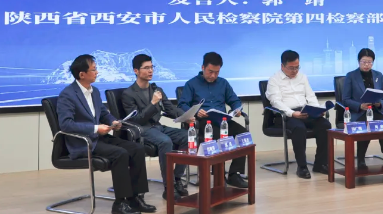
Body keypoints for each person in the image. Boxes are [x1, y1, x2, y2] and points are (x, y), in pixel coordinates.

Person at [57, 54, 156, 214]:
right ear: (82, 74)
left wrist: (113, 122)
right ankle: (120, 203)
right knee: (120, 154)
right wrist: (96, 128)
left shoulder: (94, 91)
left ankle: (136, 198)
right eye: (94, 70)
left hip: (100, 138)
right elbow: (66, 124)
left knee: (137, 149)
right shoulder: (67, 95)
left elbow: (103, 113)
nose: (97, 72)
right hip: (84, 142)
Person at [121, 54, 190, 200]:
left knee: (187, 136)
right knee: (165, 142)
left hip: (158, 127)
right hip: (142, 129)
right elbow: (137, 120)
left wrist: (187, 115)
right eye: (146, 68)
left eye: (152, 67)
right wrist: (152, 103)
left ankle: (177, 178)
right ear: (136, 71)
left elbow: (171, 109)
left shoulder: (156, 89)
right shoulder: (128, 94)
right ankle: (168, 187)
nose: (150, 70)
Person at [177, 52, 248, 188]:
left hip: (222, 121)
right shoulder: (191, 84)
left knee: (243, 134)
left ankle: (234, 174)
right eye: (210, 72)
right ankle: (219, 176)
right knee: (217, 136)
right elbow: (182, 105)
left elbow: (234, 100)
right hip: (202, 123)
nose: (213, 76)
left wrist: (237, 109)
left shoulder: (223, 83)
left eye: (217, 72)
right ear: (203, 67)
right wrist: (195, 111)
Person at [265, 50, 332, 179]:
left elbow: (310, 96)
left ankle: (321, 164)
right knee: (299, 128)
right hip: (285, 115)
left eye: (297, 67)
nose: (295, 71)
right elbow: (276, 102)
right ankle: (302, 167)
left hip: (305, 111)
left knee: (325, 125)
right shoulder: (274, 80)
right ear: (282, 66)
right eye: (291, 68)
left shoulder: (302, 77)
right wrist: (292, 113)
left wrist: (317, 109)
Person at [342, 48, 383, 170]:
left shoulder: (378, 75)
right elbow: (345, 99)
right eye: (364, 62)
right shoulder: (351, 76)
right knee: (365, 125)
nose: (366, 65)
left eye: (369, 62)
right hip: (359, 112)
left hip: (376, 110)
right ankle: (361, 160)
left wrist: (380, 103)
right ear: (358, 61)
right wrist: (360, 106)